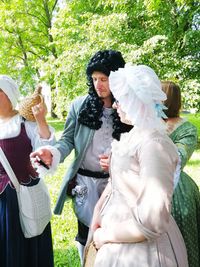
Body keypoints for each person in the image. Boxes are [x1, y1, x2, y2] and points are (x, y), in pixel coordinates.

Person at [30, 50, 133, 264]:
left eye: (104, 79)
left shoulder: (127, 109)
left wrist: (119, 162)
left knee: (114, 235)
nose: (98, 84)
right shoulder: (80, 106)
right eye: (94, 79)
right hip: (85, 183)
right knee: (86, 233)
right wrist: (53, 152)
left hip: (117, 183)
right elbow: (67, 140)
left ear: (117, 78)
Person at [86, 64, 188, 267]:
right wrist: (98, 211)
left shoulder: (154, 145)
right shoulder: (135, 135)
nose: (115, 105)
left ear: (137, 102)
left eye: (120, 100)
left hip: (142, 252)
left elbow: (152, 222)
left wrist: (105, 235)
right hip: (118, 235)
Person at [0, 75, 55, 267]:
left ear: (9, 95)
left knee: (27, 245)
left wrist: (41, 120)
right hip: (2, 202)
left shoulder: (25, 124)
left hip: (24, 197)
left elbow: (48, 150)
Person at [162, 81, 200, 267]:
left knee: (182, 238)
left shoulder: (187, 129)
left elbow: (178, 159)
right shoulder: (145, 122)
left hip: (177, 189)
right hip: (148, 182)